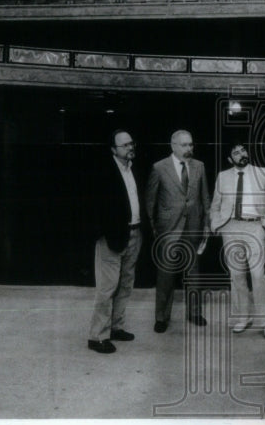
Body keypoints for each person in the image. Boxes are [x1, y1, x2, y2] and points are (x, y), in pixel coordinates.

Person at [210, 143, 265, 338]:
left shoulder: (262, 172)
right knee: (237, 275)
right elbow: (215, 206)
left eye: (243, 150)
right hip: (230, 228)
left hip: (255, 226)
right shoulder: (222, 176)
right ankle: (243, 317)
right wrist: (216, 224)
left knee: (258, 275)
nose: (241, 154)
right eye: (236, 152)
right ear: (229, 159)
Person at [145, 129, 211, 332]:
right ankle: (161, 317)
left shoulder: (199, 166)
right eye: (184, 145)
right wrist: (155, 227)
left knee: (193, 273)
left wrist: (207, 225)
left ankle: (195, 312)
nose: (189, 148)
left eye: (191, 144)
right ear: (173, 146)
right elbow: (150, 200)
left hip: (193, 228)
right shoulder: (159, 168)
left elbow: (205, 199)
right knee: (165, 274)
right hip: (168, 229)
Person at [87, 129, 143, 354]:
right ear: (113, 150)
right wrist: (103, 233)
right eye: (125, 145)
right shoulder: (102, 172)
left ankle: (116, 328)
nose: (130, 148)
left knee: (126, 285)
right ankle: (97, 336)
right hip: (112, 237)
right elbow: (93, 206)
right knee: (107, 288)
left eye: (131, 143)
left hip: (134, 234)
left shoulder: (133, 169)